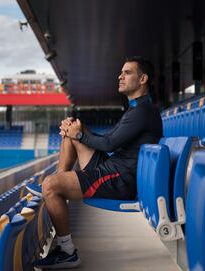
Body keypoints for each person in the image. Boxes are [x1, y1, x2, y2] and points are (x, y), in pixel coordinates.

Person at [28, 56, 163, 269]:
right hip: (113, 171)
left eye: (127, 72)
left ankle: (67, 252)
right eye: (121, 72)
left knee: (50, 186)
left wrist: (80, 135)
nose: (120, 76)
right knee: (72, 128)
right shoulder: (137, 109)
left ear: (143, 78)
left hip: (118, 181)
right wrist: (77, 131)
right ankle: (59, 178)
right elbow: (108, 139)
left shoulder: (142, 112)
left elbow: (109, 144)